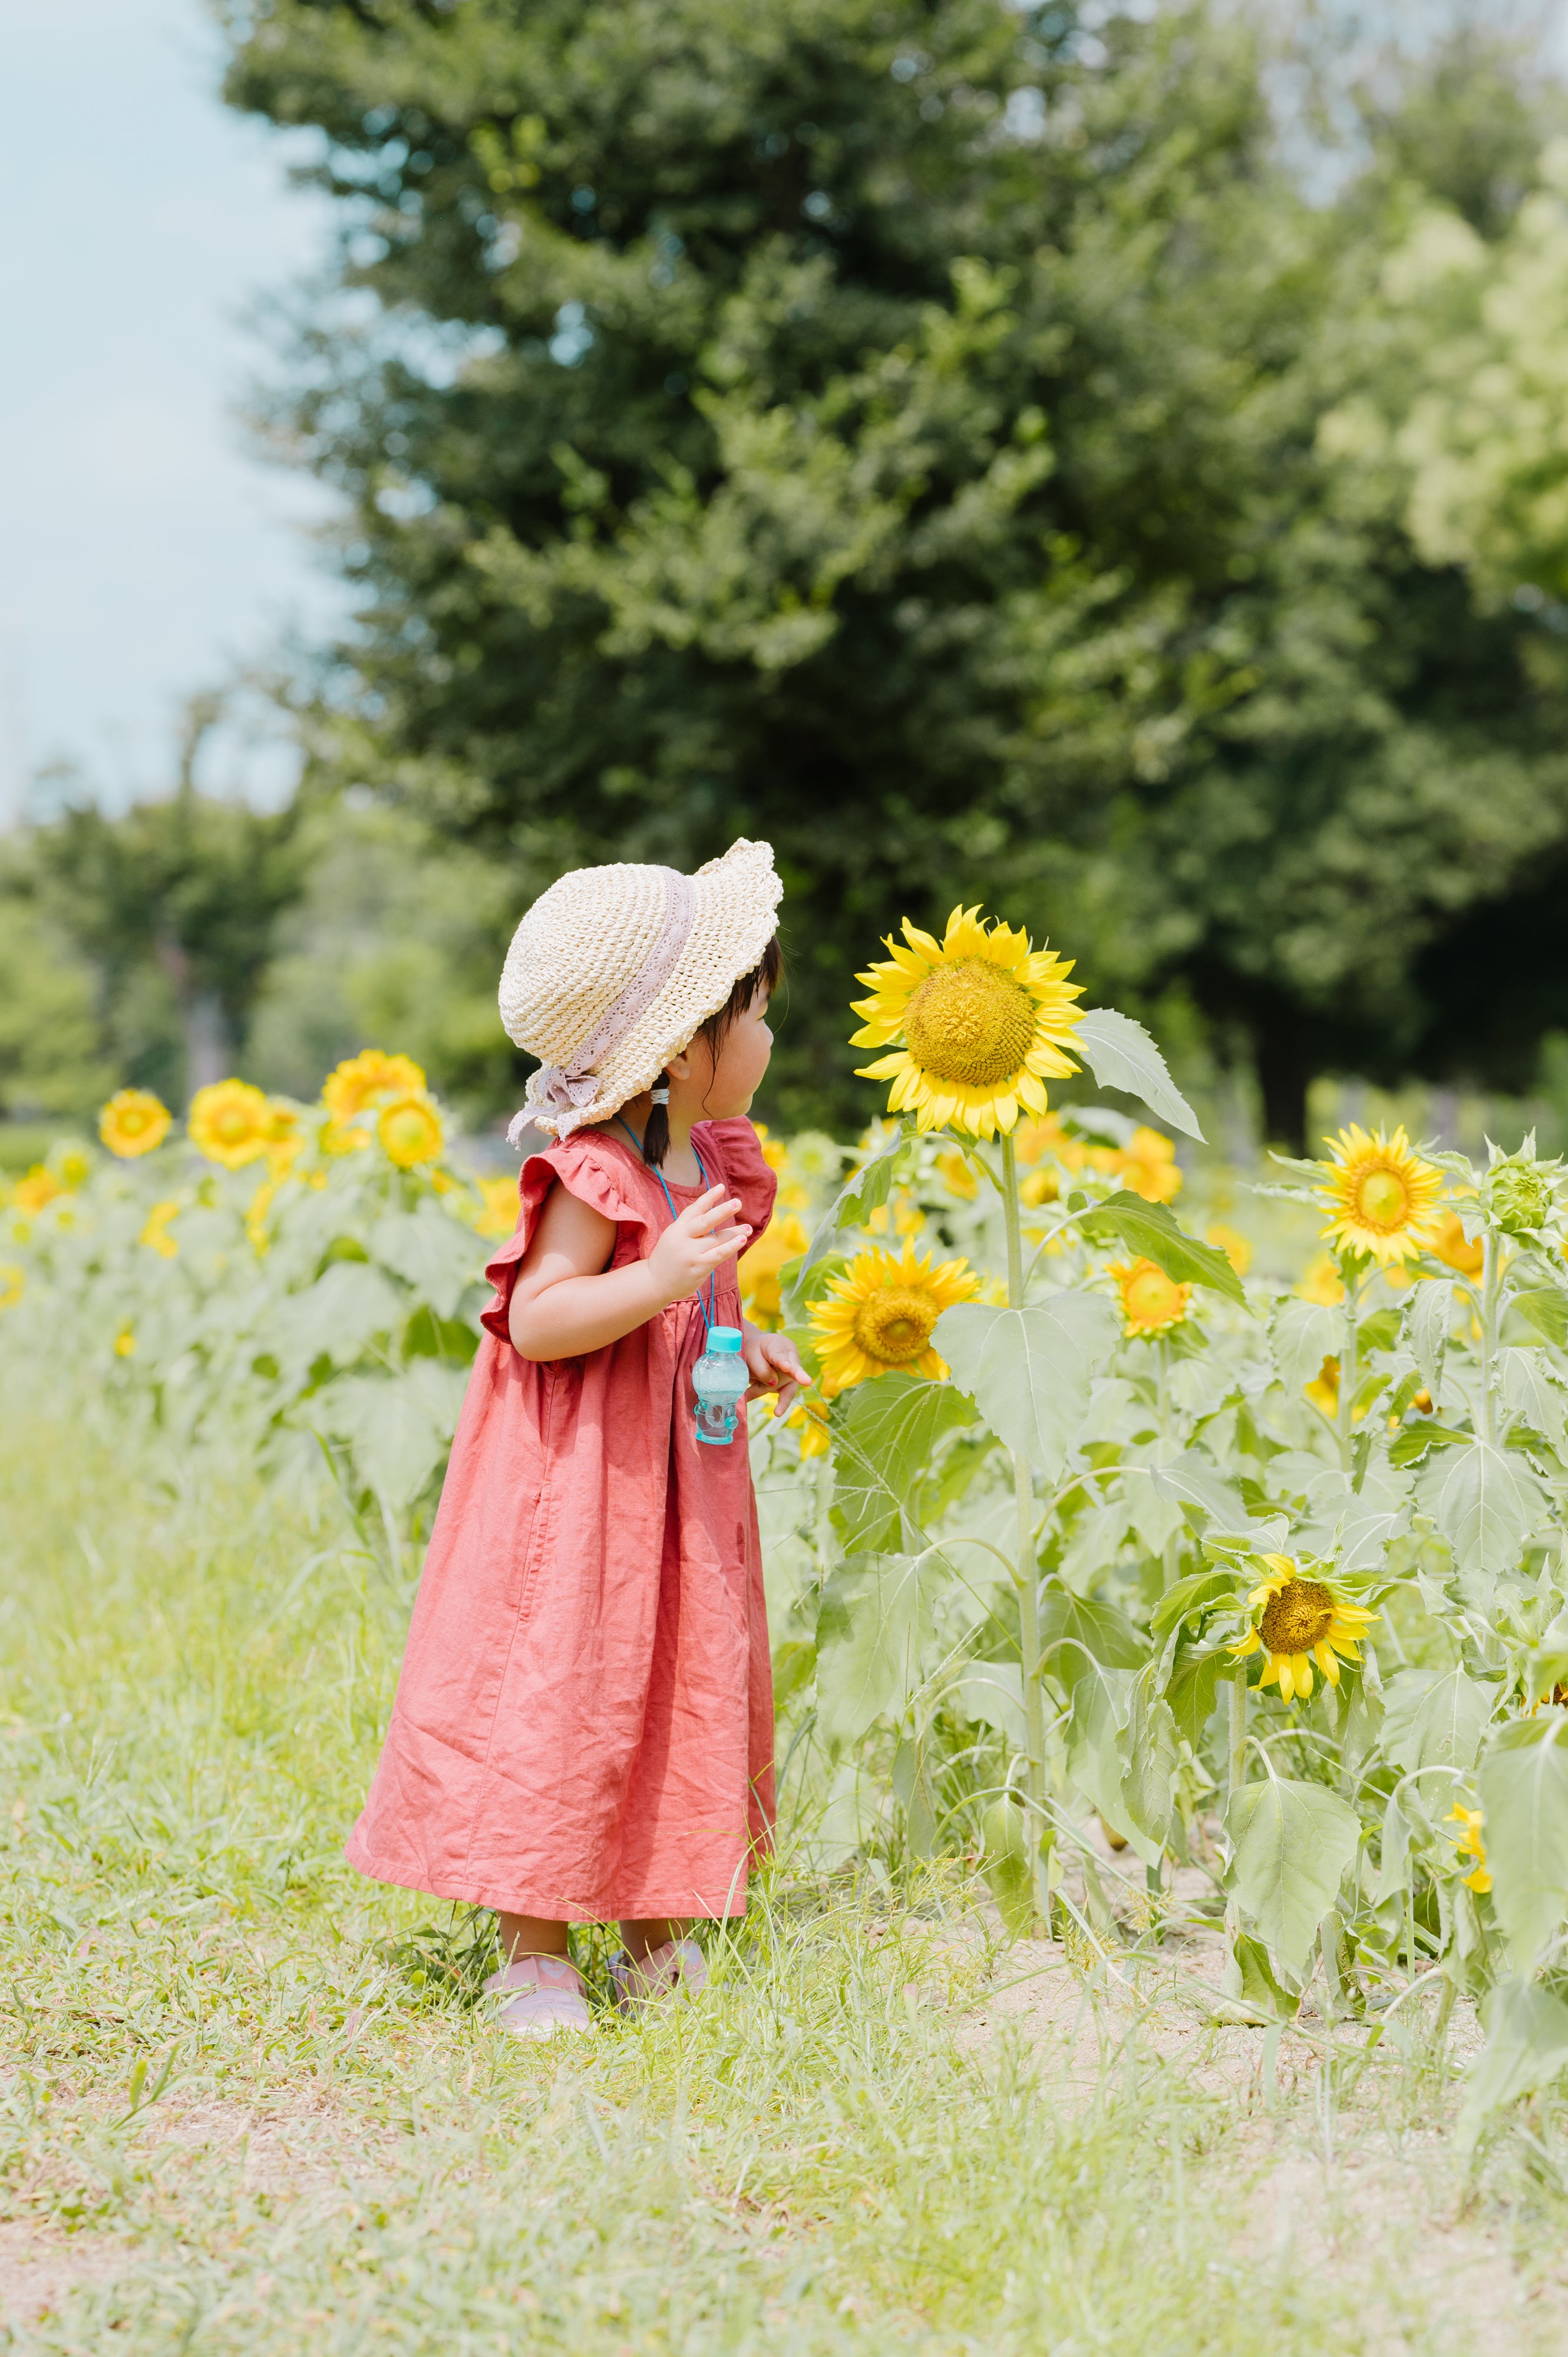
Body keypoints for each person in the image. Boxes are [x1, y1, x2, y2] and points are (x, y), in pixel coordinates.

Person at [346, 840, 809, 2036]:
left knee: (667, 1679)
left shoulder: (699, 1162)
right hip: (579, 1492)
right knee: (563, 1683)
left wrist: (736, 1339)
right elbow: (544, 1318)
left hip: (674, 1485)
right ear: (678, 1049)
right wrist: (658, 1274)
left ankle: (652, 1919)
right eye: (753, 1013)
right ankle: (533, 1945)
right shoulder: (588, 1171)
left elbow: (692, 1297)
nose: (767, 1038)